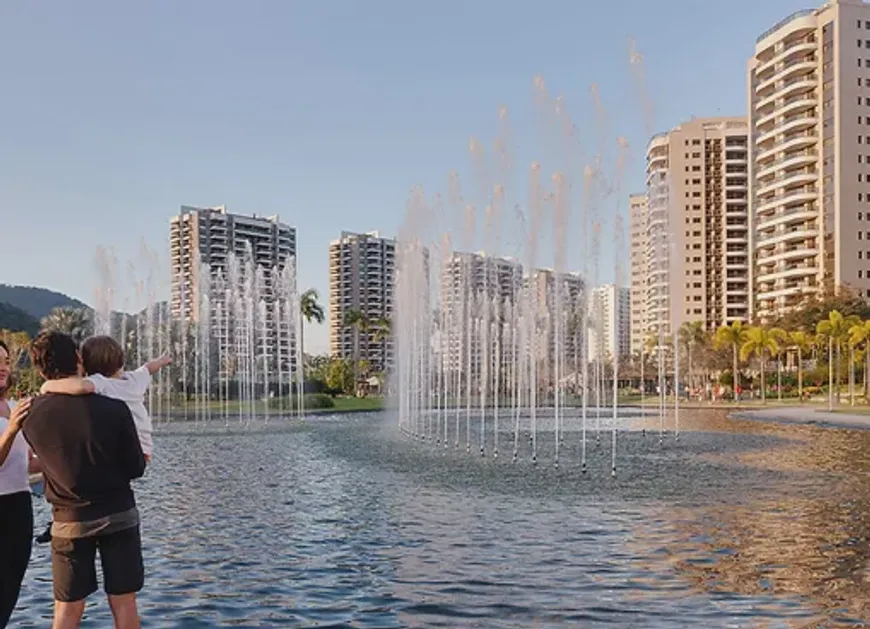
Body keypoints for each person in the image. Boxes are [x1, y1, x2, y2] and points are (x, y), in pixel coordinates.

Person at [23, 331, 146, 629]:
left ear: (40, 370)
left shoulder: (31, 414)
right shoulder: (115, 408)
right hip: (118, 515)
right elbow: (136, 467)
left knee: (66, 609)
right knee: (124, 602)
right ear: (79, 358)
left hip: (68, 522)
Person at [0, 339, 36, 629]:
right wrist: (12, 428)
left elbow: (26, 463)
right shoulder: (13, 416)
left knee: (9, 590)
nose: (2, 368)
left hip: (19, 507)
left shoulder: (13, 406)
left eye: (5, 361)